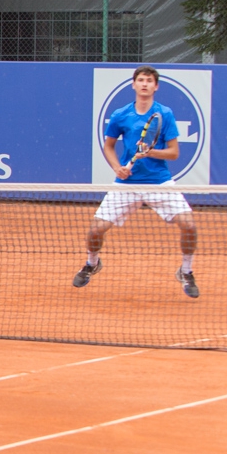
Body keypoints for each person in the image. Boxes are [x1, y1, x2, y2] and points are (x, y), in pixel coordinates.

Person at [74, 66, 198, 298]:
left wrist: (151, 152)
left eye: (149, 81)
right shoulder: (121, 115)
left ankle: (186, 270)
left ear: (155, 86)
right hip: (126, 185)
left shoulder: (165, 114)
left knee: (189, 226)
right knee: (95, 231)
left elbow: (174, 153)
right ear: (133, 84)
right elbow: (108, 146)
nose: (144, 84)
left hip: (159, 183)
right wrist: (116, 167)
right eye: (140, 80)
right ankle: (92, 263)